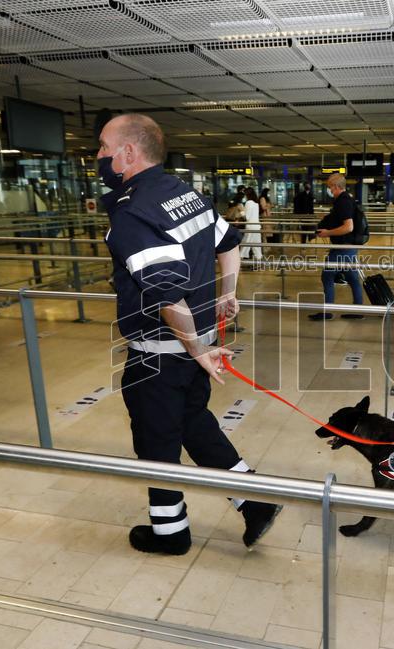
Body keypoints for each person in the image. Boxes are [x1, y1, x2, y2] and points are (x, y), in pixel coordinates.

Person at [98, 114, 280, 555]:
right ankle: (253, 501)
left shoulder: (134, 213)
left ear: (128, 153)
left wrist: (198, 350)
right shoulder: (186, 194)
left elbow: (167, 297)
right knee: (193, 424)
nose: (98, 156)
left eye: (104, 147)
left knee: (156, 442)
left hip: (158, 355)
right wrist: (228, 293)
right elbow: (229, 243)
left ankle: (170, 533)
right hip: (191, 348)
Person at [310, 173, 364, 321]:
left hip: (343, 247)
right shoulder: (345, 200)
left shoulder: (343, 201)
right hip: (349, 246)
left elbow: (348, 227)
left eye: (329, 187)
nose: (329, 190)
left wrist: (327, 233)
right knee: (352, 278)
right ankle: (358, 309)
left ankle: (327, 311)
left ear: (335, 186)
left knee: (327, 276)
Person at [240, 187, 263, 262]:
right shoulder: (256, 203)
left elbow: (247, 217)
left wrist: (241, 210)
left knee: (245, 245)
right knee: (256, 246)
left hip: (250, 227)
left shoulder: (249, 203)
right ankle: (259, 261)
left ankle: (239, 261)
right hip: (256, 226)